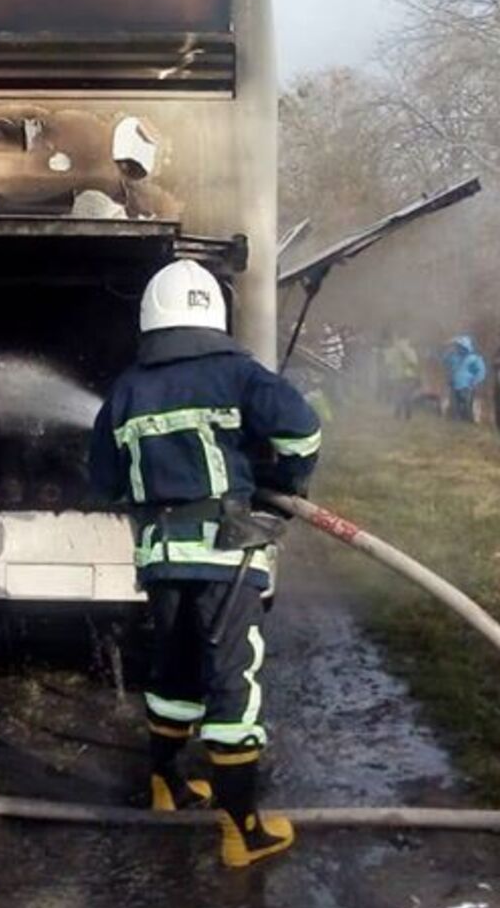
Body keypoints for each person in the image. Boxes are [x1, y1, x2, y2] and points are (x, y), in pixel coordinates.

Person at [88, 260, 322, 868]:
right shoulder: (238, 374)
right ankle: (243, 831)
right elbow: (303, 432)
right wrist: (280, 483)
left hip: (160, 560)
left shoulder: (126, 390)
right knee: (231, 683)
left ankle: (166, 783)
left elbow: (103, 481)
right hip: (229, 557)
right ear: (212, 315)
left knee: (173, 670)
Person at [443, 335, 486, 423]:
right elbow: (445, 361)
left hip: (467, 386)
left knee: (467, 406)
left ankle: (468, 422)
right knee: (454, 406)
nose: (459, 349)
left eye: (461, 346)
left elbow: (481, 372)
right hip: (455, 385)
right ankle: (456, 422)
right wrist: (449, 348)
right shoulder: (454, 357)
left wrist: (475, 381)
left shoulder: (474, 358)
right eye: (458, 347)